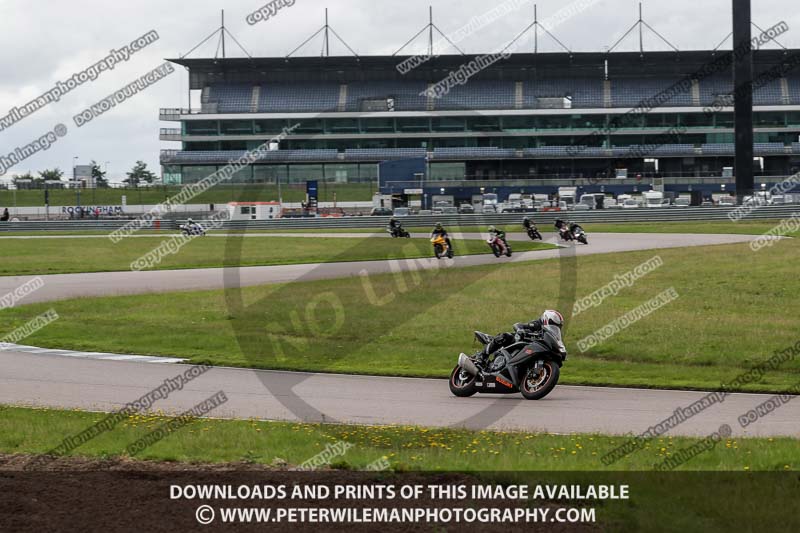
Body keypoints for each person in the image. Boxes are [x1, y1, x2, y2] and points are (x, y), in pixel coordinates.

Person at [476, 310, 564, 365]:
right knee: (505, 336)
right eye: (553, 323)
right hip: (518, 343)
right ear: (547, 319)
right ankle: (482, 356)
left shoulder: (550, 334)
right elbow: (517, 325)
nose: (555, 326)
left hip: (530, 351)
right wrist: (521, 330)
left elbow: (558, 342)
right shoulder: (536, 324)